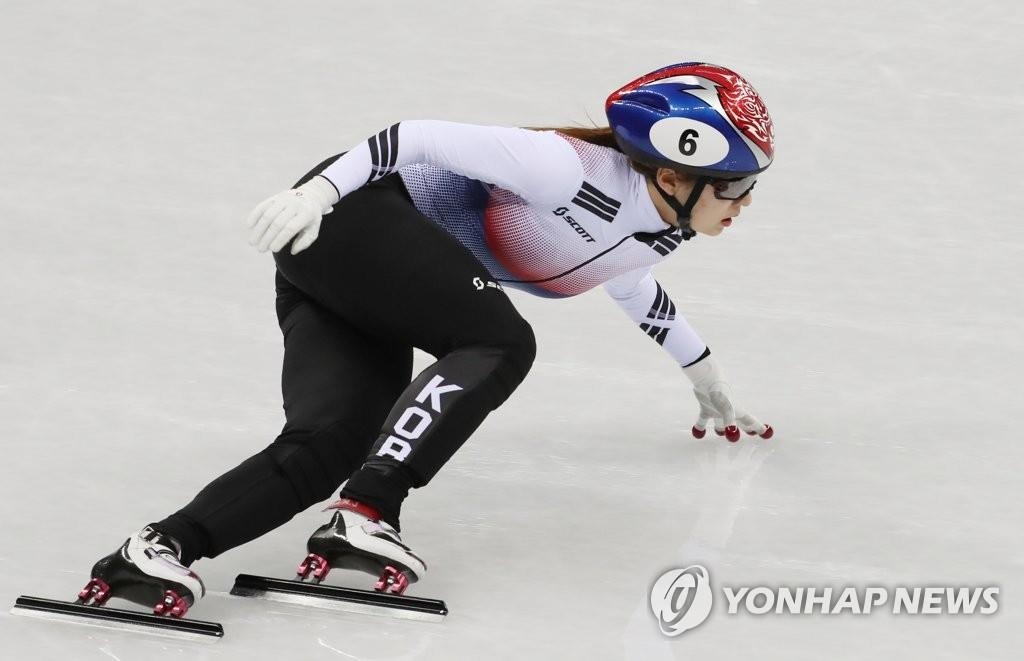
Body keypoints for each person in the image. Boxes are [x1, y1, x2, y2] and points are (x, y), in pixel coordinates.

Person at [78, 62, 776, 617]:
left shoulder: (652, 230)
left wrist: (708, 384)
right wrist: (318, 194)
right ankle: (369, 508)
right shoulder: (565, 167)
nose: (745, 203)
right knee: (503, 340)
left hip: (359, 269)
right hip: (347, 215)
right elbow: (413, 136)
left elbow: (638, 291)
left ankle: (161, 546)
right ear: (673, 173)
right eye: (736, 185)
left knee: (332, 438)